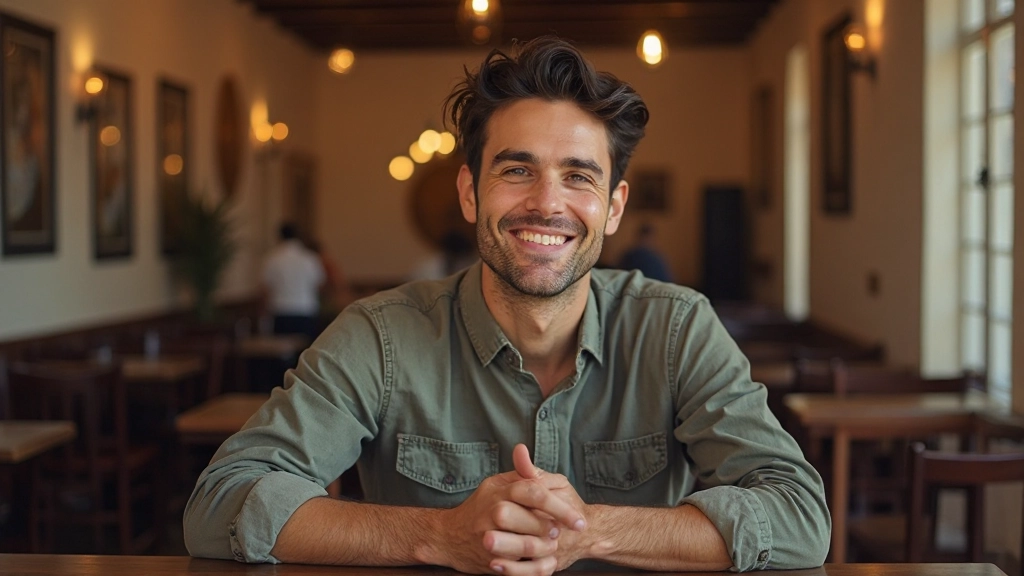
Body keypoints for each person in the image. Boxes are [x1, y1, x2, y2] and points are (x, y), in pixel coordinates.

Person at [185, 37, 829, 573]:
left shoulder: (677, 328)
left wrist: (591, 530)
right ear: (469, 192)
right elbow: (218, 506)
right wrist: (440, 535)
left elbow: (799, 519)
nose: (547, 203)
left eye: (579, 175)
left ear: (614, 207)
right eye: (516, 169)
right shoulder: (378, 336)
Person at [261, 223, 325, 340]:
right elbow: (319, 285)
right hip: (305, 311)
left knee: (282, 355)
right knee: (305, 352)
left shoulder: (271, 258)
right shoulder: (310, 258)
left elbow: (265, 288)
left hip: (280, 311)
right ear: (299, 236)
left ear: (279, 236)